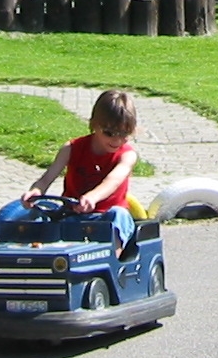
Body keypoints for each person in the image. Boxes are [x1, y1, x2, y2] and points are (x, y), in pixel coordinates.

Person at [27, 89, 143, 244]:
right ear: (94, 124)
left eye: (124, 134)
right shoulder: (71, 149)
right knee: (40, 212)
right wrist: (35, 192)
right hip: (72, 216)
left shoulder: (127, 155)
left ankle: (112, 254)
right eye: (109, 133)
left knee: (119, 214)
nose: (116, 140)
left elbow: (112, 181)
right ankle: (35, 251)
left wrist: (92, 197)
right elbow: (46, 179)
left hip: (104, 217)